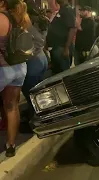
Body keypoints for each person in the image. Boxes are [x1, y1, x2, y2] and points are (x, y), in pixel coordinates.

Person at [0, 0, 32, 157]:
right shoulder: (23, 18)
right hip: (19, 67)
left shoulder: (1, 18)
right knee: (12, 106)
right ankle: (11, 145)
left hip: (3, 69)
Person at [46, 0, 76, 74]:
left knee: (62, 74)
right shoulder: (61, 10)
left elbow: (72, 29)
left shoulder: (68, 10)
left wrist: (66, 48)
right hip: (56, 47)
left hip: (61, 47)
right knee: (56, 71)